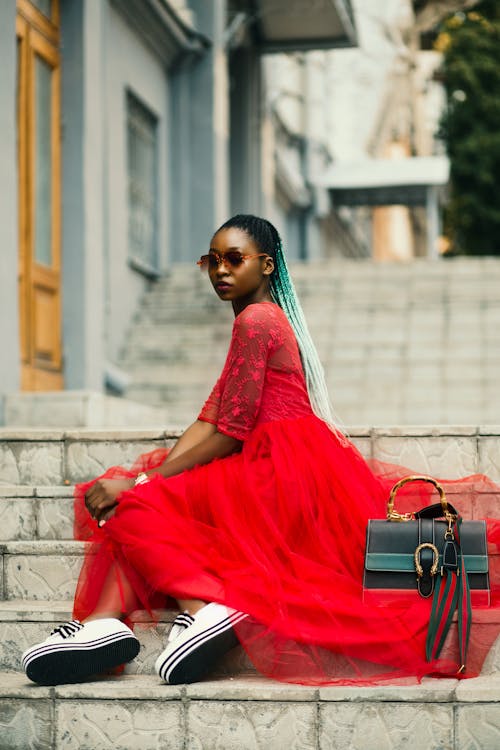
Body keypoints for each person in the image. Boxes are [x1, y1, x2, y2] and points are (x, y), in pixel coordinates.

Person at [22, 214, 500, 687]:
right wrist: (154, 480)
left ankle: (197, 609)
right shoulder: (258, 320)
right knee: (142, 499)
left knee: (135, 506)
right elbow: (210, 415)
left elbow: (230, 431)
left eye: (235, 259)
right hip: (280, 462)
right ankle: (104, 626)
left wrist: (144, 482)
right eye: (212, 261)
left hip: (279, 471)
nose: (221, 270)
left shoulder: (256, 319)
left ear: (267, 265)